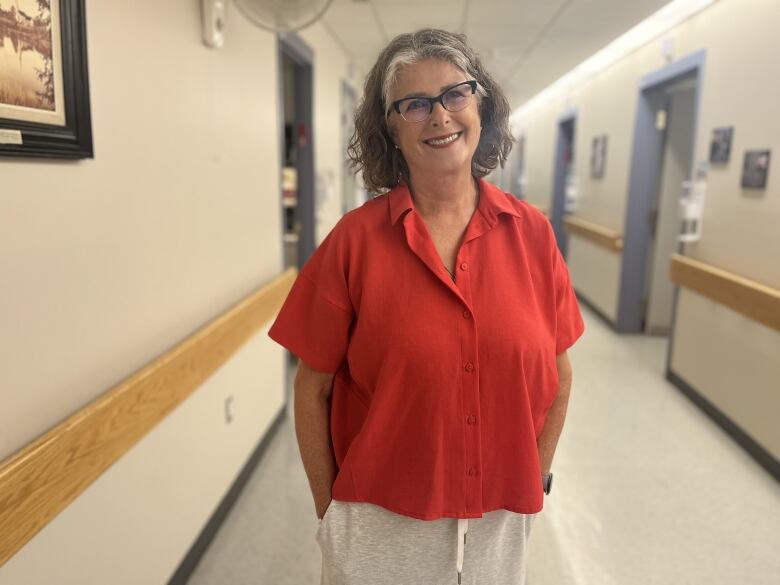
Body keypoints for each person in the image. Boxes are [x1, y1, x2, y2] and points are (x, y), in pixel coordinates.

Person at [269, 28, 585, 585]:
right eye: (414, 104)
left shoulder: (532, 235)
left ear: (480, 105)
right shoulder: (354, 242)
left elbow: (559, 374)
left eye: (455, 94)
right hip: (379, 524)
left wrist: (536, 476)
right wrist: (331, 513)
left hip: (500, 520)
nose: (439, 116)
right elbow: (310, 388)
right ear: (389, 128)